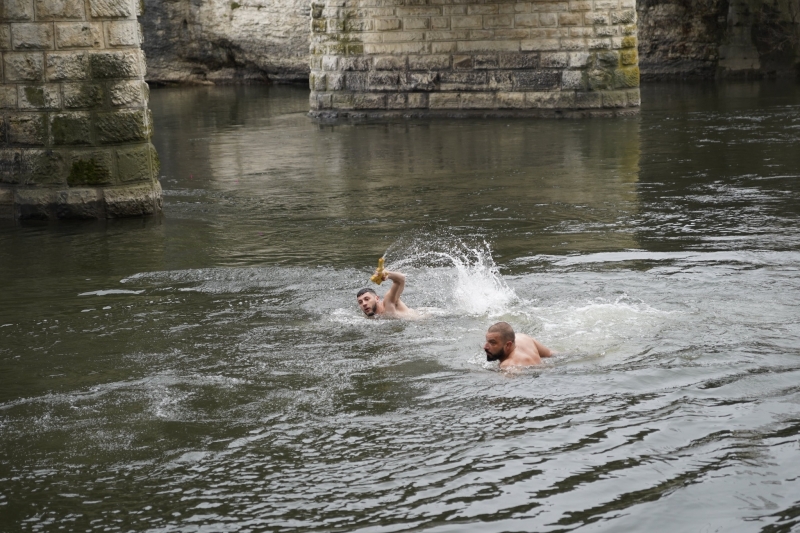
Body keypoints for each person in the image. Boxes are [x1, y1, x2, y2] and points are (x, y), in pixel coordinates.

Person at [483, 322, 552, 368]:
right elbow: (550, 354)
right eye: (487, 341)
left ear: (508, 345)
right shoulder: (523, 338)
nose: (485, 347)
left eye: (492, 343)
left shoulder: (509, 366)